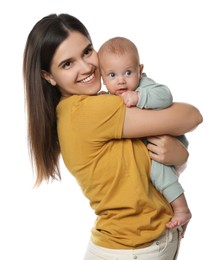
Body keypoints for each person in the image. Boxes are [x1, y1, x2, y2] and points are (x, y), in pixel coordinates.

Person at [23, 13, 203, 260]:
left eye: (87, 52)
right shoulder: (88, 111)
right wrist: (179, 153)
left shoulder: (81, 108)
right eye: (67, 64)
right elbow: (191, 116)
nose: (86, 67)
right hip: (134, 249)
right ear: (48, 76)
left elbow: (144, 168)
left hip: (129, 245)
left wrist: (179, 156)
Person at [98, 36, 191, 233]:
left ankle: (182, 209)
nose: (121, 80)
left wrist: (139, 97)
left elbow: (166, 96)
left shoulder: (145, 86)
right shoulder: (108, 99)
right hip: (150, 147)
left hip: (164, 142)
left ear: (140, 70)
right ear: (102, 78)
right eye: (112, 75)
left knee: (158, 171)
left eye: (128, 72)